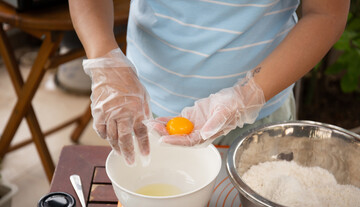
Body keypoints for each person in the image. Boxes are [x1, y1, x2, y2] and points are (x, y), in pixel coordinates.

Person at [69, 0, 350, 165]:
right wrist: (105, 60)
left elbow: (326, 12)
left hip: (261, 115)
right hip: (144, 109)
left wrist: (246, 97)